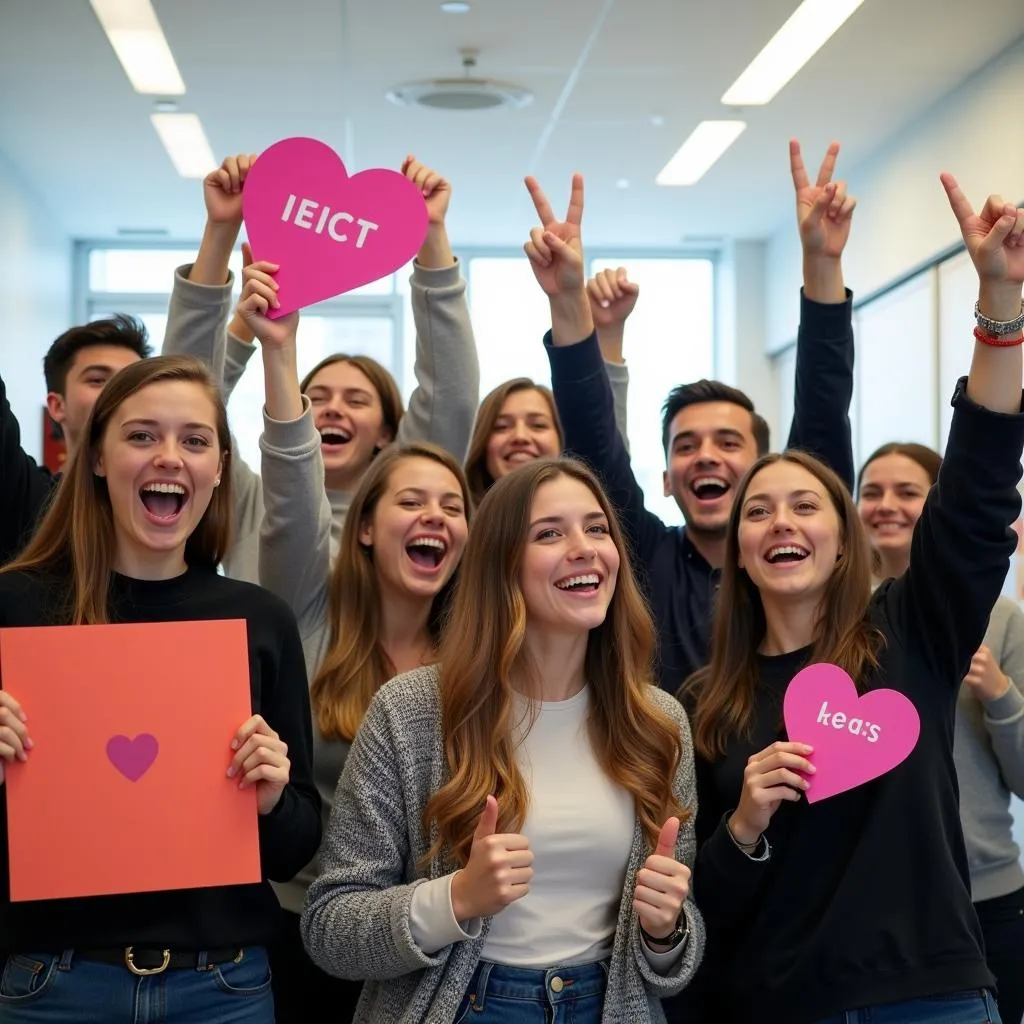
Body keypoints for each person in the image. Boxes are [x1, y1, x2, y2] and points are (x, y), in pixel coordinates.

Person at [681, 178, 1024, 1023]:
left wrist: (1002, 300)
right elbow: (696, 907)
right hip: (774, 1003)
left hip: (930, 997)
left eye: (806, 506)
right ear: (741, 554)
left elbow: (979, 483)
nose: (780, 521)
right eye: (757, 510)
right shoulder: (703, 703)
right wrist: (743, 828)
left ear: (845, 540)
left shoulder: (915, 630)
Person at [301, 457, 705, 1023]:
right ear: (500, 566)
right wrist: (455, 900)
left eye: (597, 528)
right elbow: (330, 925)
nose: (585, 547)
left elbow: (673, 951)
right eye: (549, 533)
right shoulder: (411, 710)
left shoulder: (657, 721)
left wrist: (667, 931)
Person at [0, 355, 321, 1023]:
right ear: (96, 457)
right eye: (142, 436)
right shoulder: (15, 608)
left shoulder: (260, 621)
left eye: (195, 440)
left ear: (219, 469)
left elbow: (296, 848)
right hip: (51, 985)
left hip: (221, 990)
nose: (169, 457)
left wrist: (269, 801)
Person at [527, 141, 857, 692]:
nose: (705, 455)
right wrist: (567, 301)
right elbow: (592, 438)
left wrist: (823, 263)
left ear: (762, 466)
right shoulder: (642, 555)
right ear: (666, 479)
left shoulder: (796, 551)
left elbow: (824, 403)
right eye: (686, 446)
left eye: (728, 442)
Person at [236, 266, 473, 1023]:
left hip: (430, 934)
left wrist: (436, 255)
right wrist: (279, 353)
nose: (433, 516)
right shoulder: (308, 602)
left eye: (451, 506)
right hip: (294, 925)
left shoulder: (480, 654)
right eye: (410, 501)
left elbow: (456, 403)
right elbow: (290, 484)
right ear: (364, 528)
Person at [160, 153, 480, 584]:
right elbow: (181, 397)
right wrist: (221, 231)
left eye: (357, 400)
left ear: (386, 432)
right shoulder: (251, 502)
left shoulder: (414, 513)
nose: (332, 409)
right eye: (318, 398)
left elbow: (452, 399)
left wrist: (432, 238)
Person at [858, 441, 1024, 1024]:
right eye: (871, 492)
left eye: (908, 492)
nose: (886, 506)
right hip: (882, 900)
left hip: (988, 895)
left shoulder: (1002, 621)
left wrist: (999, 692)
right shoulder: (840, 621)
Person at [462, 268, 635, 503]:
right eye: (501, 427)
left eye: (538, 425)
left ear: (564, 443)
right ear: (481, 446)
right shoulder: (461, 532)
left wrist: (609, 334)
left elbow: (602, 436)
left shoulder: (593, 525)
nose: (520, 437)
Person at [1, 315, 151, 564]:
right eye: (97, 380)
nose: (119, 392)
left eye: (133, 382)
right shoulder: (26, 499)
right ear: (57, 405)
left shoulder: (171, 503)